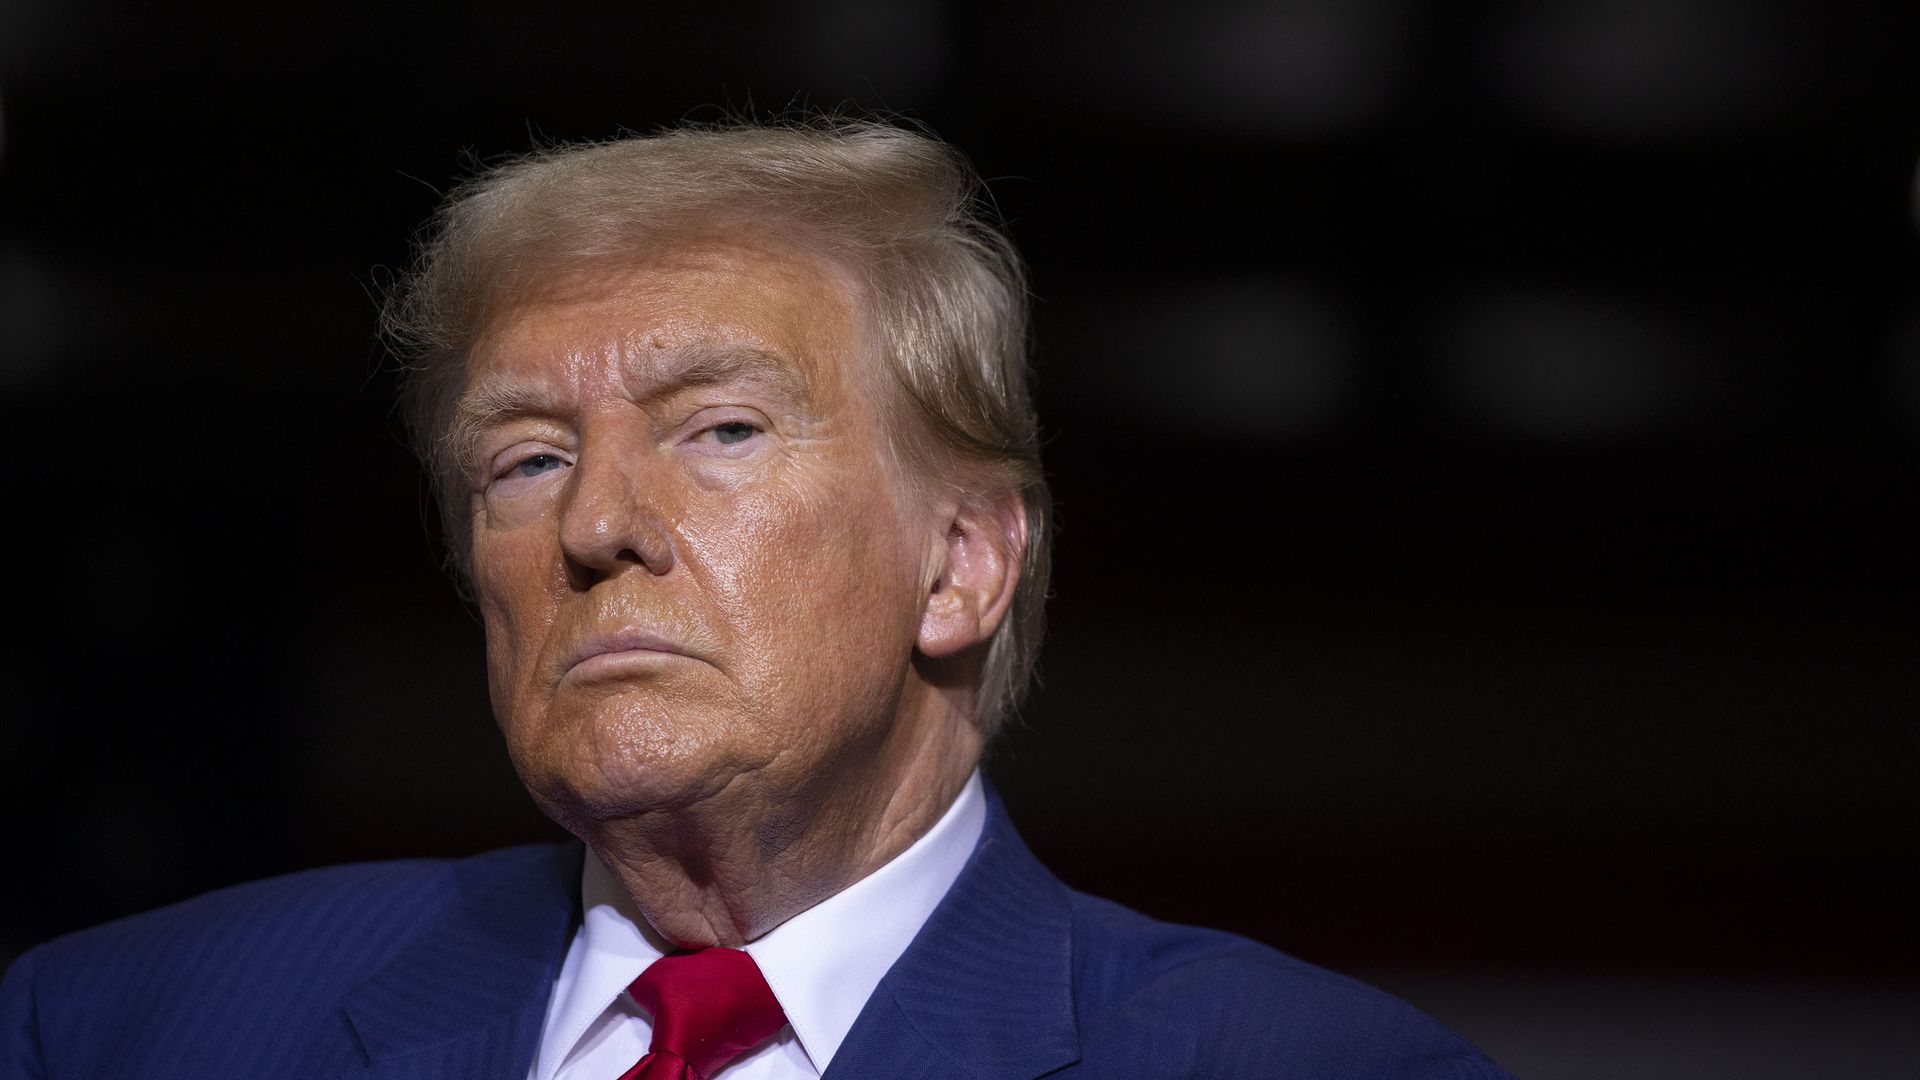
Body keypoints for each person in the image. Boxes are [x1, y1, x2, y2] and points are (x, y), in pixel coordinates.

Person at [1, 119, 1513, 1080]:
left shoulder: (1293, 1065)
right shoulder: (123, 1030)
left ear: (962, 565)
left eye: (719, 430)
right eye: (525, 461)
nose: (594, 525)